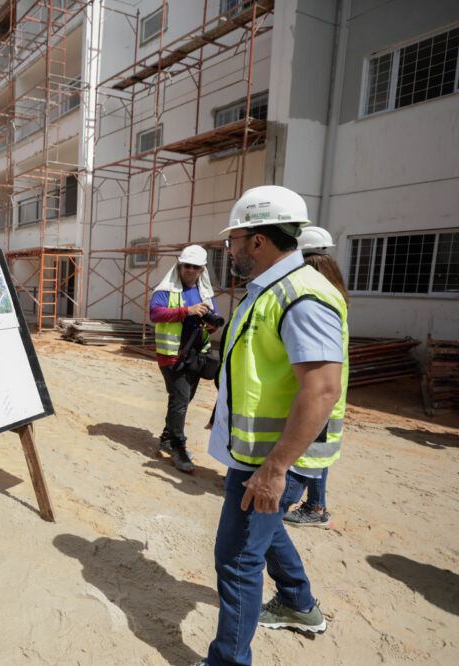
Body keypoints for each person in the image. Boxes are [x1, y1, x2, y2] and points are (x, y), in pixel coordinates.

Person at [193, 186, 349, 666]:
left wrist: (276, 468)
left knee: (237, 559)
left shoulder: (301, 297)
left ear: (257, 241)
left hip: (275, 458)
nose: (230, 250)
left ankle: (228, 662)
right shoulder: (269, 291)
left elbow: (322, 390)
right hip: (256, 453)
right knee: (264, 529)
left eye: (233, 240)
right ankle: (299, 604)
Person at [282, 226, 349, 528]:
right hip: (331, 392)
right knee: (317, 455)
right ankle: (317, 506)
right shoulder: (333, 292)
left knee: (306, 457)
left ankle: (308, 507)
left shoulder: (311, 296)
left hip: (317, 393)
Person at [149, 245, 221, 473]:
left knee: (184, 399)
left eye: (195, 267)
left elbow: (214, 322)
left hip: (196, 355)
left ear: (202, 270)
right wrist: (186, 311)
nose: (190, 270)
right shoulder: (166, 289)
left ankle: (167, 437)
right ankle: (178, 447)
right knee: (179, 399)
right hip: (172, 356)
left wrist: (210, 325)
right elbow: (155, 313)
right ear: (180, 266)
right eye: (186, 266)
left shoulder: (205, 293)